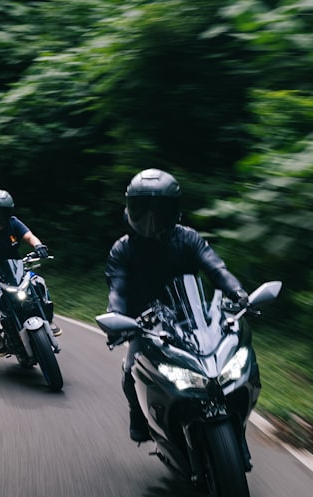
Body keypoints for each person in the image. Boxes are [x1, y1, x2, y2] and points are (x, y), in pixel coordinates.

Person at [105, 168, 248, 442]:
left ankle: (234, 421)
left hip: (193, 318)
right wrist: (116, 317)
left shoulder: (188, 239)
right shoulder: (123, 249)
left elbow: (216, 269)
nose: (150, 220)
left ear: (174, 210)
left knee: (225, 368)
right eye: (143, 209)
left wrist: (237, 292)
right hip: (145, 326)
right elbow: (117, 289)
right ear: (130, 208)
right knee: (130, 372)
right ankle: (140, 417)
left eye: (158, 211)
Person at [0, 189, 60, 356]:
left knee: (39, 283)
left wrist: (38, 246)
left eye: (2, 212)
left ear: (9, 212)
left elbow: (29, 236)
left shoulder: (14, 223)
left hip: (17, 271)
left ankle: (49, 320)